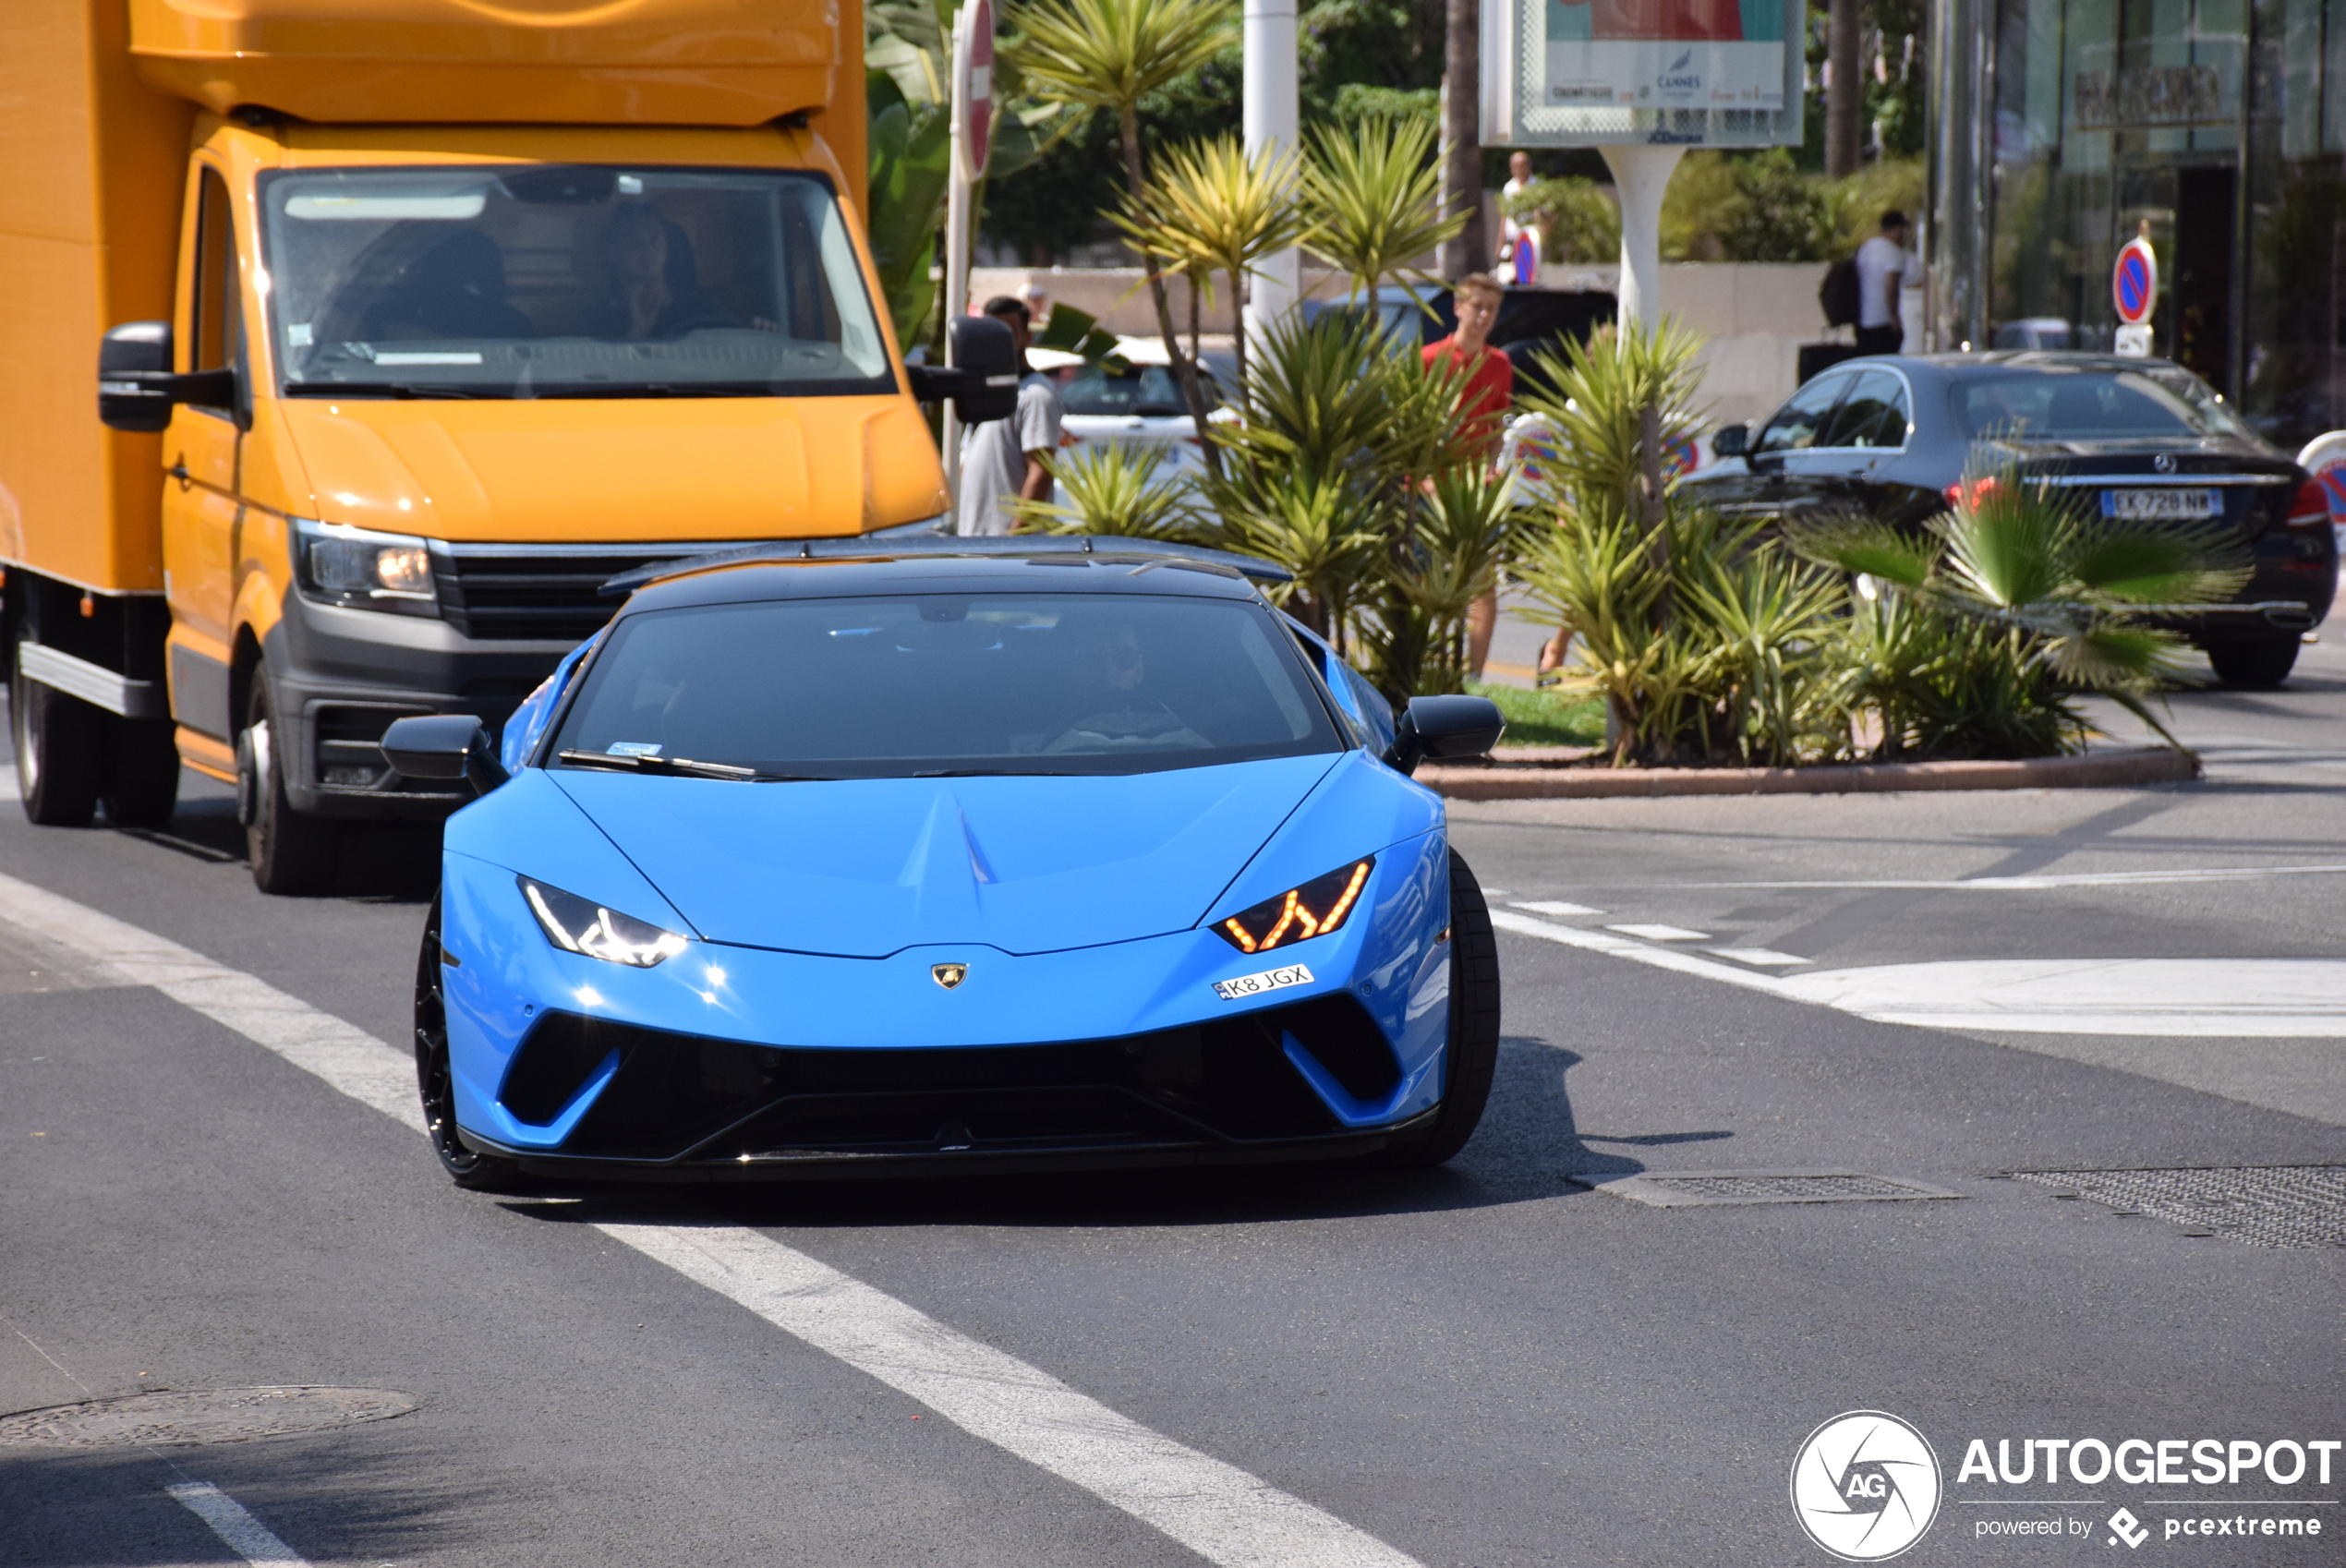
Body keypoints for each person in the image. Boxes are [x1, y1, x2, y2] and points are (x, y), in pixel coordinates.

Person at [1423, 273, 1514, 676]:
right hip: (1430, 492)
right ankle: (1421, 670)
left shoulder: (1499, 364)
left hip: (1477, 494)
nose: (1483, 315)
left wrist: (1490, 474)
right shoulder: (1430, 360)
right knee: (1427, 587)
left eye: (1491, 309)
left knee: (1482, 585)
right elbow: (1416, 431)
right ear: (1458, 308)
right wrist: (1428, 485)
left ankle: (1473, 678)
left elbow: (1496, 429)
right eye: (1476, 306)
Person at [956, 296, 1064, 537]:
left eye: (1007, 334)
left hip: (1011, 555)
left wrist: (1013, 539)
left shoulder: (1036, 395)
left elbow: (1041, 471)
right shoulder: (986, 395)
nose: (996, 343)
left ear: (1026, 338)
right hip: (976, 548)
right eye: (990, 335)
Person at [577, 202, 740, 339]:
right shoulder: (595, 320)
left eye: (655, 239)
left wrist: (761, 331)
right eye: (634, 241)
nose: (647, 248)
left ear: (667, 248)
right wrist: (638, 332)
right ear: (613, 252)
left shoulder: (703, 310)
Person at [1855, 211, 1910, 356]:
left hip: (1862, 320)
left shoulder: (1867, 248)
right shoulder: (1894, 252)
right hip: (1883, 322)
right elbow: (1891, 285)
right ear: (1897, 229)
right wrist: (1894, 316)